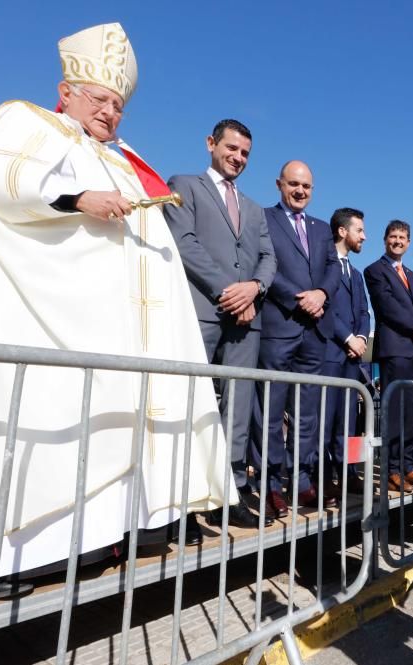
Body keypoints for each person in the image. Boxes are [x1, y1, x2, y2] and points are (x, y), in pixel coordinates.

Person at [0, 23, 234, 593]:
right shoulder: (28, 121)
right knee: (37, 430)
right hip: (35, 316)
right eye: (102, 100)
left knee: (96, 436)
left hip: (110, 333)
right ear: (67, 91)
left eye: (118, 105)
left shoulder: (122, 155)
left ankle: (92, 540)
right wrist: (79, 198)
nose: (111, 112)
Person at [164, 119, 277, 536]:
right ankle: (180, 501)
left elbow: (269, 257)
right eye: (231, 148)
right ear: (211, 144)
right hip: (203, 310)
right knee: (189, 401)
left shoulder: (253, 208)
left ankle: (230, 492)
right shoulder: (185, 185)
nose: (238, 158)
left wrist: (254, 288)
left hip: (247, 318)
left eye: (245, 153)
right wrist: (230, 291)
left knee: (239, 407)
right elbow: (184, 242)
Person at [252, 160, 340, 516]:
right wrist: (298, 298)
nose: (300, 191)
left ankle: (301, 482)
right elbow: (263, 263)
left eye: (306, 186)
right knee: (270, 409)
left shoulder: (321, 229)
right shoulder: (263, 219)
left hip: (315, 331)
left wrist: (321, 294)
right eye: (293, 184)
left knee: (307, 412)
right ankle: (270, 484)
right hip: (280, 325)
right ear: (279, 184)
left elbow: (333, 267)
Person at [364, 220, 413, 492]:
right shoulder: (374, 271)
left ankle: (409, 465)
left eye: (403, 237)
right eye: (393, 236)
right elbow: (387, 307)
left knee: (411, 415)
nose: (397, 241)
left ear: (409, 242)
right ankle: (392, 470)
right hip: (395, 350)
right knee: (394, 414)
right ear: (385, 240)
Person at [320, 207, 370, 499]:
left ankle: (348, 473)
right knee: (325, 418)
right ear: (342, 231)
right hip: (331, 351)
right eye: (359, 230)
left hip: (353, 356)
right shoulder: (324, 266)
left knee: (349, 420)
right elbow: (325, 307)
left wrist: (361, 336)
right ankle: (323, 477)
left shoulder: (357, 274)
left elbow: (364, 310)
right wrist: (348, 338)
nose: (364, 236)